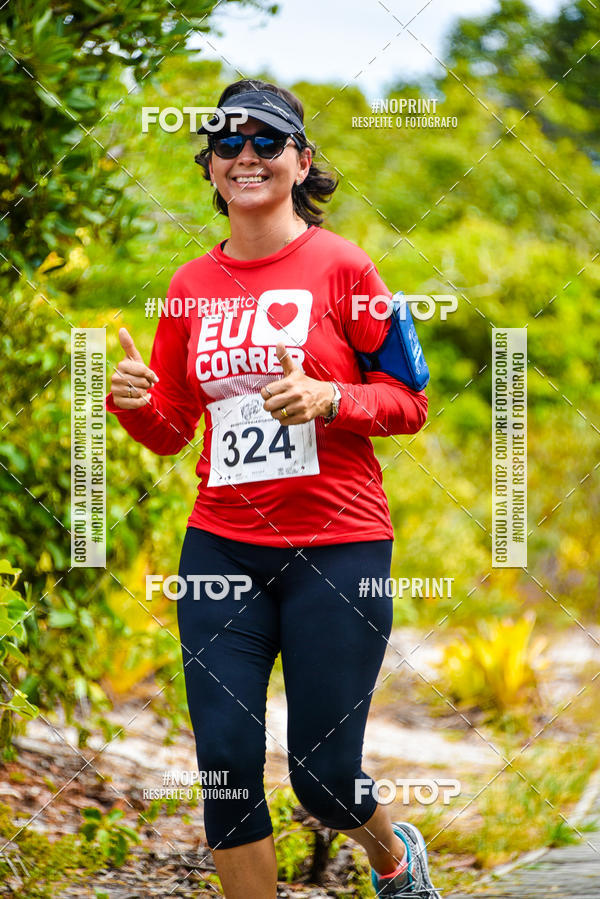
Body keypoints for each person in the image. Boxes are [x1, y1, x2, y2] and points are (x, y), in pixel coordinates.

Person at [107, 78, 440, 899]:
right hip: (222, 543)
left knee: (323, 777)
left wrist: (336, 398)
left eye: (267, 141)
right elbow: (176, 426)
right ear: (212, 168)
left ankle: (394, 856)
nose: (246, 156)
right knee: (223, 761)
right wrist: (138, 405)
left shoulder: (344, 267)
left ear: (301, 160)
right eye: (229, 144)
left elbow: (411, 402)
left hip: (338, 545)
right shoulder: (189, 285)